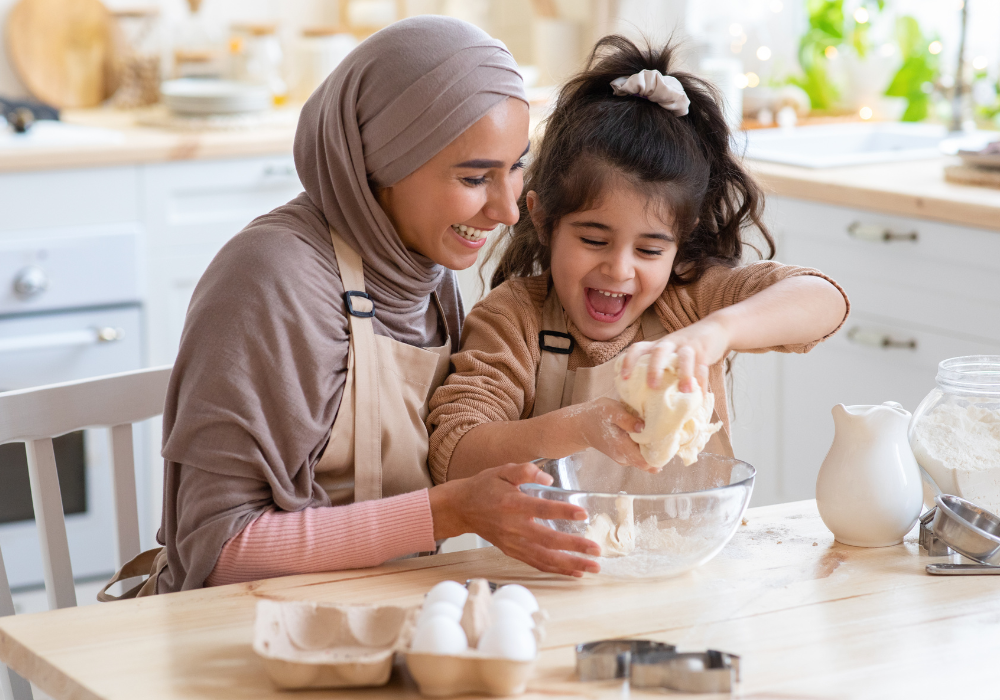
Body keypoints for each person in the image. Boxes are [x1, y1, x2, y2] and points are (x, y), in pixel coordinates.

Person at [105, 17, 608, 598]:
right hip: (241, 635)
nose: (507, 211)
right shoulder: (272, 280)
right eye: (475, 177)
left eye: (516, 166)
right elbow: (215, 553)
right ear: (380, 166)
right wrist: (448, 512)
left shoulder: (425, 268)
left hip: (377, 615)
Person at [427, 37, 850, 487]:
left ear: (680, 244)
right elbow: (454, 455)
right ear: (544, 219)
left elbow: (824, 301)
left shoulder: (687, 299)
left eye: (650, 250)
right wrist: (579, 428)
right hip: (542, 557)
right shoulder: (515, 320)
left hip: (686, 551)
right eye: (594, 239)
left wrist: (715, 332)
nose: (620, 269)